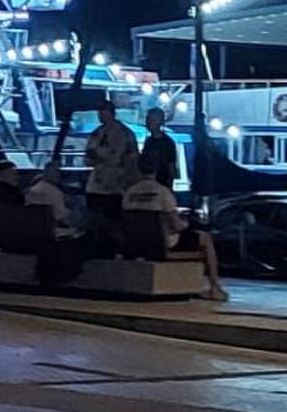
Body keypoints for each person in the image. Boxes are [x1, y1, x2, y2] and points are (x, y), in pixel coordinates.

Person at [123, 171, 228, 299]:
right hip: (165, 244)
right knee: (204, 238)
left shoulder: (129, 193)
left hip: (138, 245)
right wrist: (186, 222)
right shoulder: (163, 193)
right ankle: (214, 286)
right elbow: (178, 226)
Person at [83, 101, 141, 236]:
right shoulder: (96, 133)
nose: (101, 116)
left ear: (112, 113)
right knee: (95, 220)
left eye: (104, 112)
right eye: (100, 113)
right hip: (96, 184)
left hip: (116, 185)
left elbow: (129, 159)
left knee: (114, 222)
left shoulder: (125, 134)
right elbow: (88, 157)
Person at [138, 108, 179, 184]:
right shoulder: (148, 141)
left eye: (152, 120)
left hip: (161, 184)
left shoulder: (168, 143)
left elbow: (171, 167)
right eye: (148, 119)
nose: (148, 122)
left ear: (160, 122)